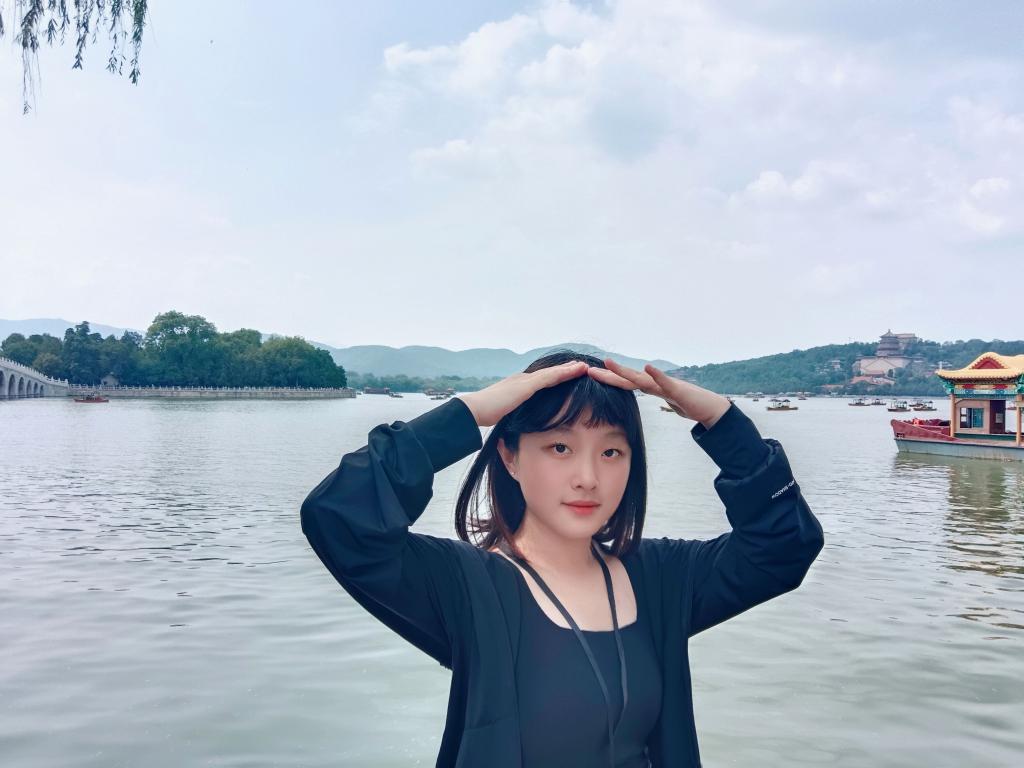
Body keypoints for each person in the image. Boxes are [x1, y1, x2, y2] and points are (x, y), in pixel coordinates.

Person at [300, 351, 824, 767]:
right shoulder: (468, 586)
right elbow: (339, 518)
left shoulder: (661, 578)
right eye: (559, 448)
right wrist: (469, 412)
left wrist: (723, 422)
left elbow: (783, 547)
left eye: (611, 452)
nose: (588, 478)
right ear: (510, 456)